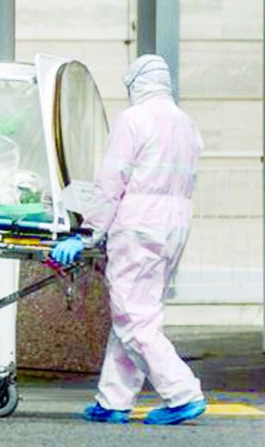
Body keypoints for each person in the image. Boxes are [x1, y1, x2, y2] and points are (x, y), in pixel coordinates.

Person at [51, 54, 207, 425]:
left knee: (133, 317)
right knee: (137, 312)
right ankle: (113, 400)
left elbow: (111, 182)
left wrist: (86, 231)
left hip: (138, 225)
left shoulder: (133, 120)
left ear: (136, 84)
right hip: (174, 226)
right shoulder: (187, 125)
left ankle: (183, 394)